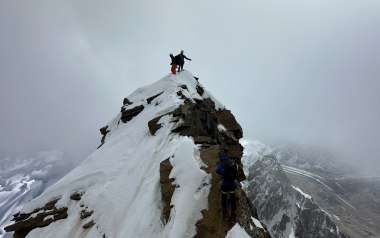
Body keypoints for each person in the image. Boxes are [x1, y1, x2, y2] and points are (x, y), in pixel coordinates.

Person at [216, 150, 238, 222]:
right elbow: (236, 172)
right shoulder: (232, 162)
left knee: (224, 197)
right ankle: (233, 215)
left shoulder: (221, 163)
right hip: (232, 184)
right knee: (233, 199)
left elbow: (217, 170)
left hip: (224, 184)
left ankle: (225, 213)